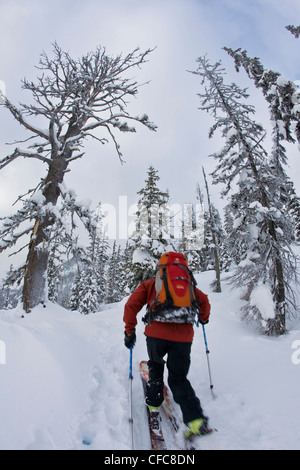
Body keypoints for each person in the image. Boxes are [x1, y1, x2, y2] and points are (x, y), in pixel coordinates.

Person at [123, 252, 211, 437]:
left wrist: (130, 331)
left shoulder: (151, 284)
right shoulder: (189, 286)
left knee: (155, 366)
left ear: (160, 268)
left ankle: (154, 403)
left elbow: (131, 305)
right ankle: (195, 420)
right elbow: (204, 302)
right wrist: (203, 319)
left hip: (156, 335)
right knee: (178, 377)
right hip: (183, 338)